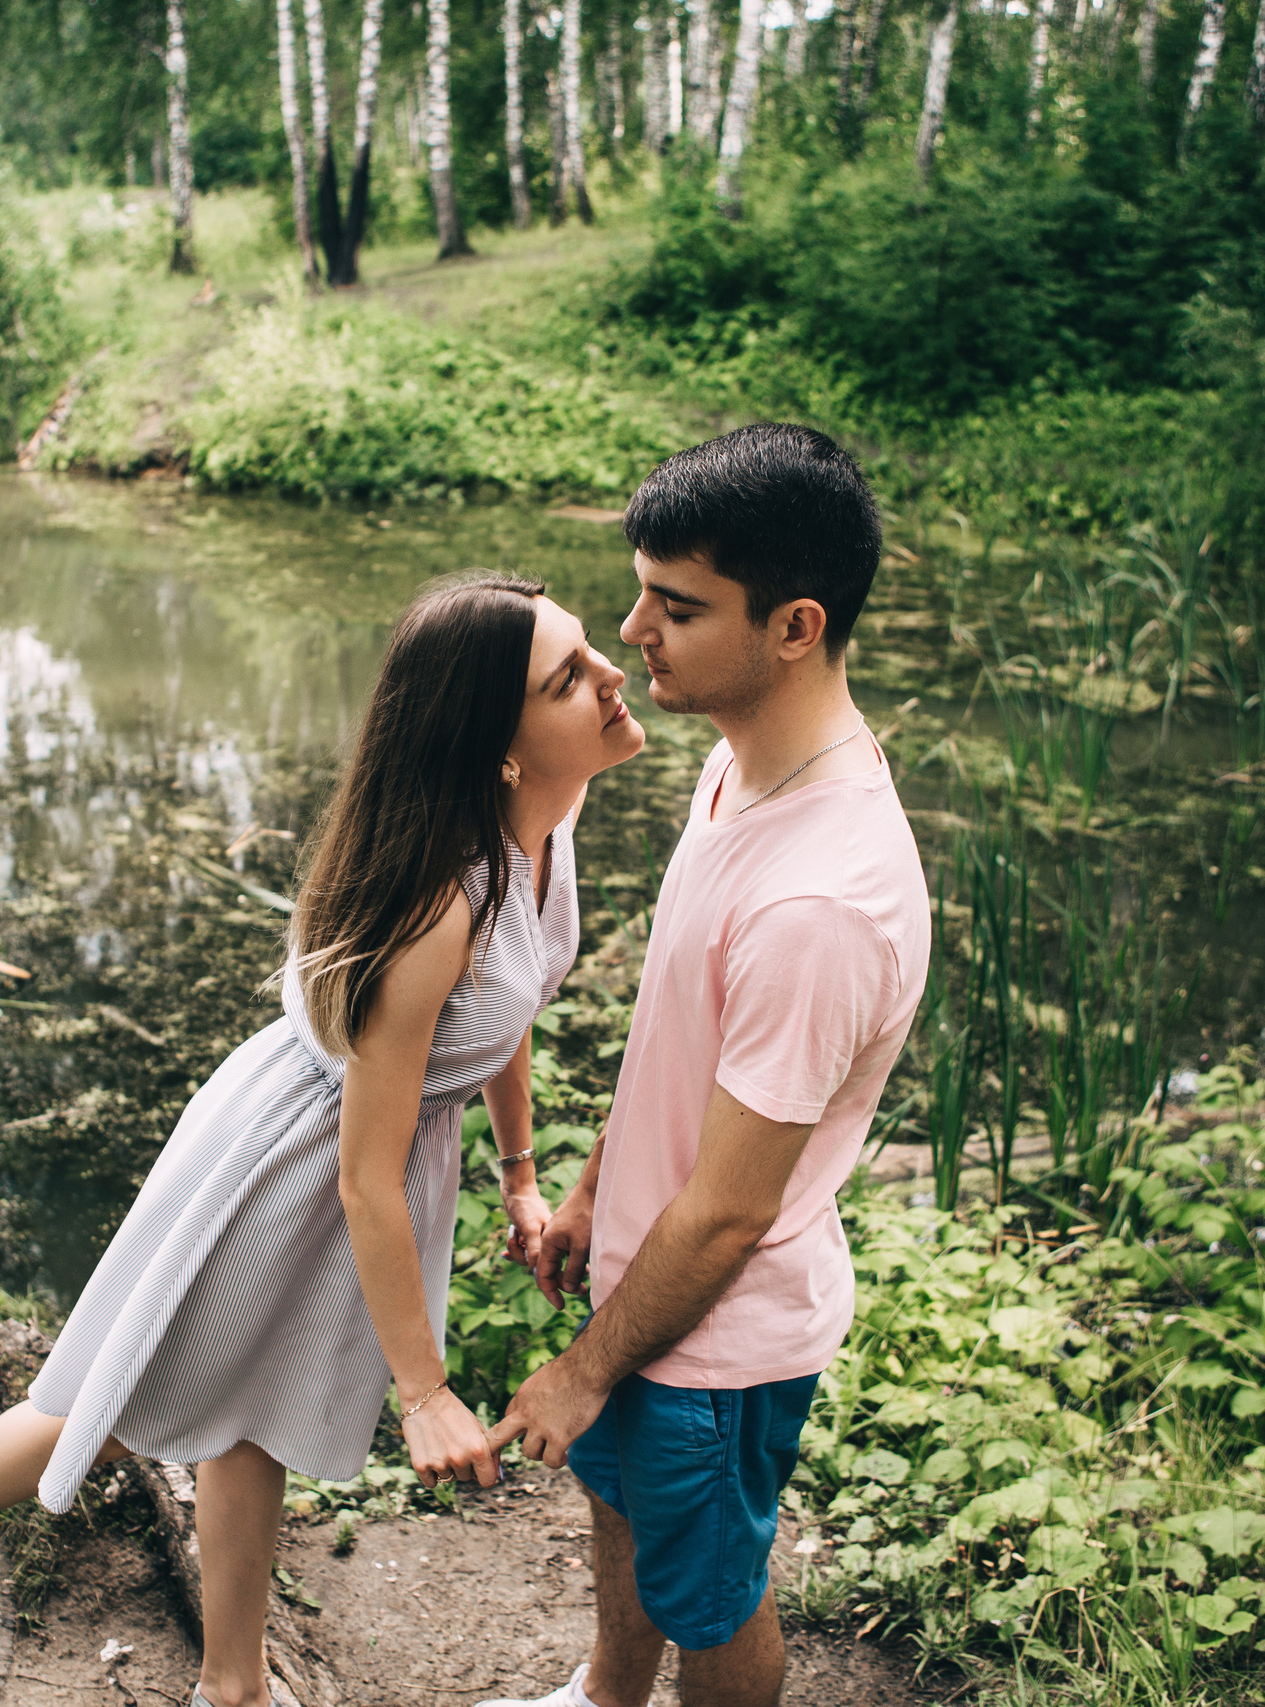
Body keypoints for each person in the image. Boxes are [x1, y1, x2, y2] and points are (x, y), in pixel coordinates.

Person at [0, 572, 643, 1707]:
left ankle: (233, 1688)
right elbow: (366, 1181)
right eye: (568, 676)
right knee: (138, 1395)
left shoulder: (545, 825)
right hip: (299, 1162)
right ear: (496, 745)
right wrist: (424, 1395)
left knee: (246, 1413)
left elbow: (504, 1012)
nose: (611, 674)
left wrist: (518, 1174)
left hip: (377, 1148)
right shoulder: (436, 902)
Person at [480, 425, 931, 1707]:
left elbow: (733, 1207)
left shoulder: (822, 904)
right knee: (622, 1516)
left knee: (712, 1597)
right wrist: (587, 1195)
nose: (632, 631)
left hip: (712, 1336)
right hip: (647, 1276)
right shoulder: (739, 773)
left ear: (794, 626)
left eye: (675, 607)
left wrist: (581, 1368)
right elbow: (683, 1059)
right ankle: (604, 1699)